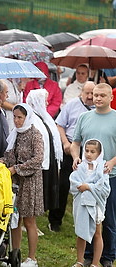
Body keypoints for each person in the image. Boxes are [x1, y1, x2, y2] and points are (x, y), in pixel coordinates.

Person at [71, 83, 116, 267]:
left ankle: (107, 257)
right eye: (95, 95)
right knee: (85, 217)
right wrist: (75, 157)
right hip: (85, 177)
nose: (97, 98)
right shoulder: (84, 117)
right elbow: (76, 142)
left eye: (102, 96)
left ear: (110, 98)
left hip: (110, 176)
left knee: (108, 220)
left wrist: (112, 161)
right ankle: (88, 256)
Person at [0, 103, 44, 267]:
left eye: (20, 117)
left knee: (29, 221)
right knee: (14, 220)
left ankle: (32, 258)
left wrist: (17, 169)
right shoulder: (15, 134)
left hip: (30, 183)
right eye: (15, 117)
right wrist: (2, 162)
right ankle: (14, 255)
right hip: (15, 183)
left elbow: (37, 160)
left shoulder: (35, 135)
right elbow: (10, 155)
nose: (17, 120)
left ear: (27, 117)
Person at [51, 82, 95, 232]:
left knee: (88, 187)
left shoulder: (99, 109)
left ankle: (85, 222)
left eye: (92, 93)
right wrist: (65, 143)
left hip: (90, 151)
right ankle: (55, 220)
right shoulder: (72, 105)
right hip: (70, 147)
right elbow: (59, 125)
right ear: (81, 92)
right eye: (86, 93)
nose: (89, 97)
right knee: (63, 185)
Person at [70, 139, 110, 267]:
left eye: (92, 151)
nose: (88, 154)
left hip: (96, 204)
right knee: (81, 232)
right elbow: (74, 183)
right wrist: (84, 187)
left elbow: (104, 188)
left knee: (97, 233)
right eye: (86, 151)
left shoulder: (102, 169)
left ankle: (94, 263)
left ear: (99, 153)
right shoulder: (79, 167)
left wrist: (88, 187)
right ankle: (80, 261)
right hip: (81, 204)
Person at [26, 89, 63, 218]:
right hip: (39, 161)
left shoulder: (44, 117)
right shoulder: (31, 119)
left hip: (48, 159)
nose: (47, 103)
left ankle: (33, 221)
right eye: (44, 100)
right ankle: (30, 222)